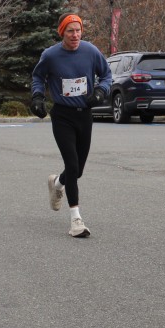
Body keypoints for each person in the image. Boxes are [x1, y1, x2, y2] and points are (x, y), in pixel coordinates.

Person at [30, 13, 112, 237]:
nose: (75, 35)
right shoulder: (51, 55)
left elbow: (106, 75)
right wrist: (37, 97)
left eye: (78, 31)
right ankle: (76, 220)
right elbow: (38, 77)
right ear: (62, 33)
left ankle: (57, 183)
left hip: (84, 115)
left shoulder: (90, 51)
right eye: (70, 31)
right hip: (62, 116)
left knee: (78, 170)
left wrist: (100, 91)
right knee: (72, 165)